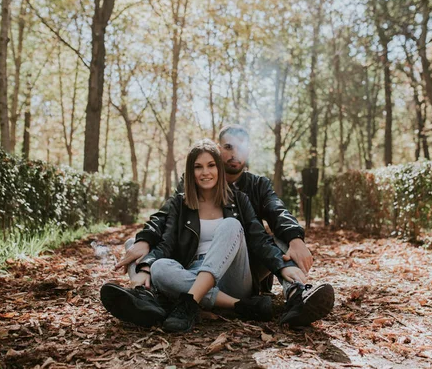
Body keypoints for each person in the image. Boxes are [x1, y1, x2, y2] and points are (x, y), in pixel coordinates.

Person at [102, 125, 334, 327]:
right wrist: (145, 253)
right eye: (228, 147)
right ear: (217, 149)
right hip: (194, 267)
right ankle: (232, 305)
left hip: (243, 267)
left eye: (241, 148)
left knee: (275, 236)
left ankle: (295, 293)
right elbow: (165, 226)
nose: (234, 154)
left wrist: (295, 239)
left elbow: (267, 225)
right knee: (141, 249)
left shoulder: (249, 191)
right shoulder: (186, 194)